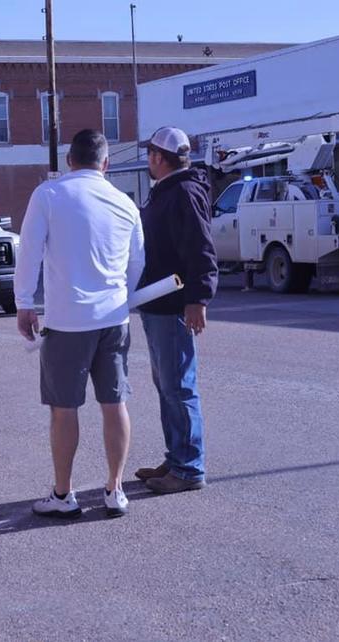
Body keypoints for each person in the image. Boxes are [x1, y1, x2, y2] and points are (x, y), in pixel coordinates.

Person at [15, 129, 145, 519]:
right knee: (114, 402)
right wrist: (121, 297)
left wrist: (24, 304)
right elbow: (137, 263)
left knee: (64, 407)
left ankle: (63, 494)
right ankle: (114, 489)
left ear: (70, 160)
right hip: (114, 318)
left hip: (68, 321)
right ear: (106, 163)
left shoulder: (49, 195)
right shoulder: (125, 203)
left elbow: (29, 252)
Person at [134, 126, 218, 494]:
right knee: (167, 386)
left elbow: (201, 248)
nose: (147, 160)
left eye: (149, 154)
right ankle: (177, 456)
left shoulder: (182, 192)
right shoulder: (166, 192)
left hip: (172, 306)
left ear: (157, 157)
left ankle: (187, 468)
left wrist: (197, 300)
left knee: (178, 386)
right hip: (158, 303)